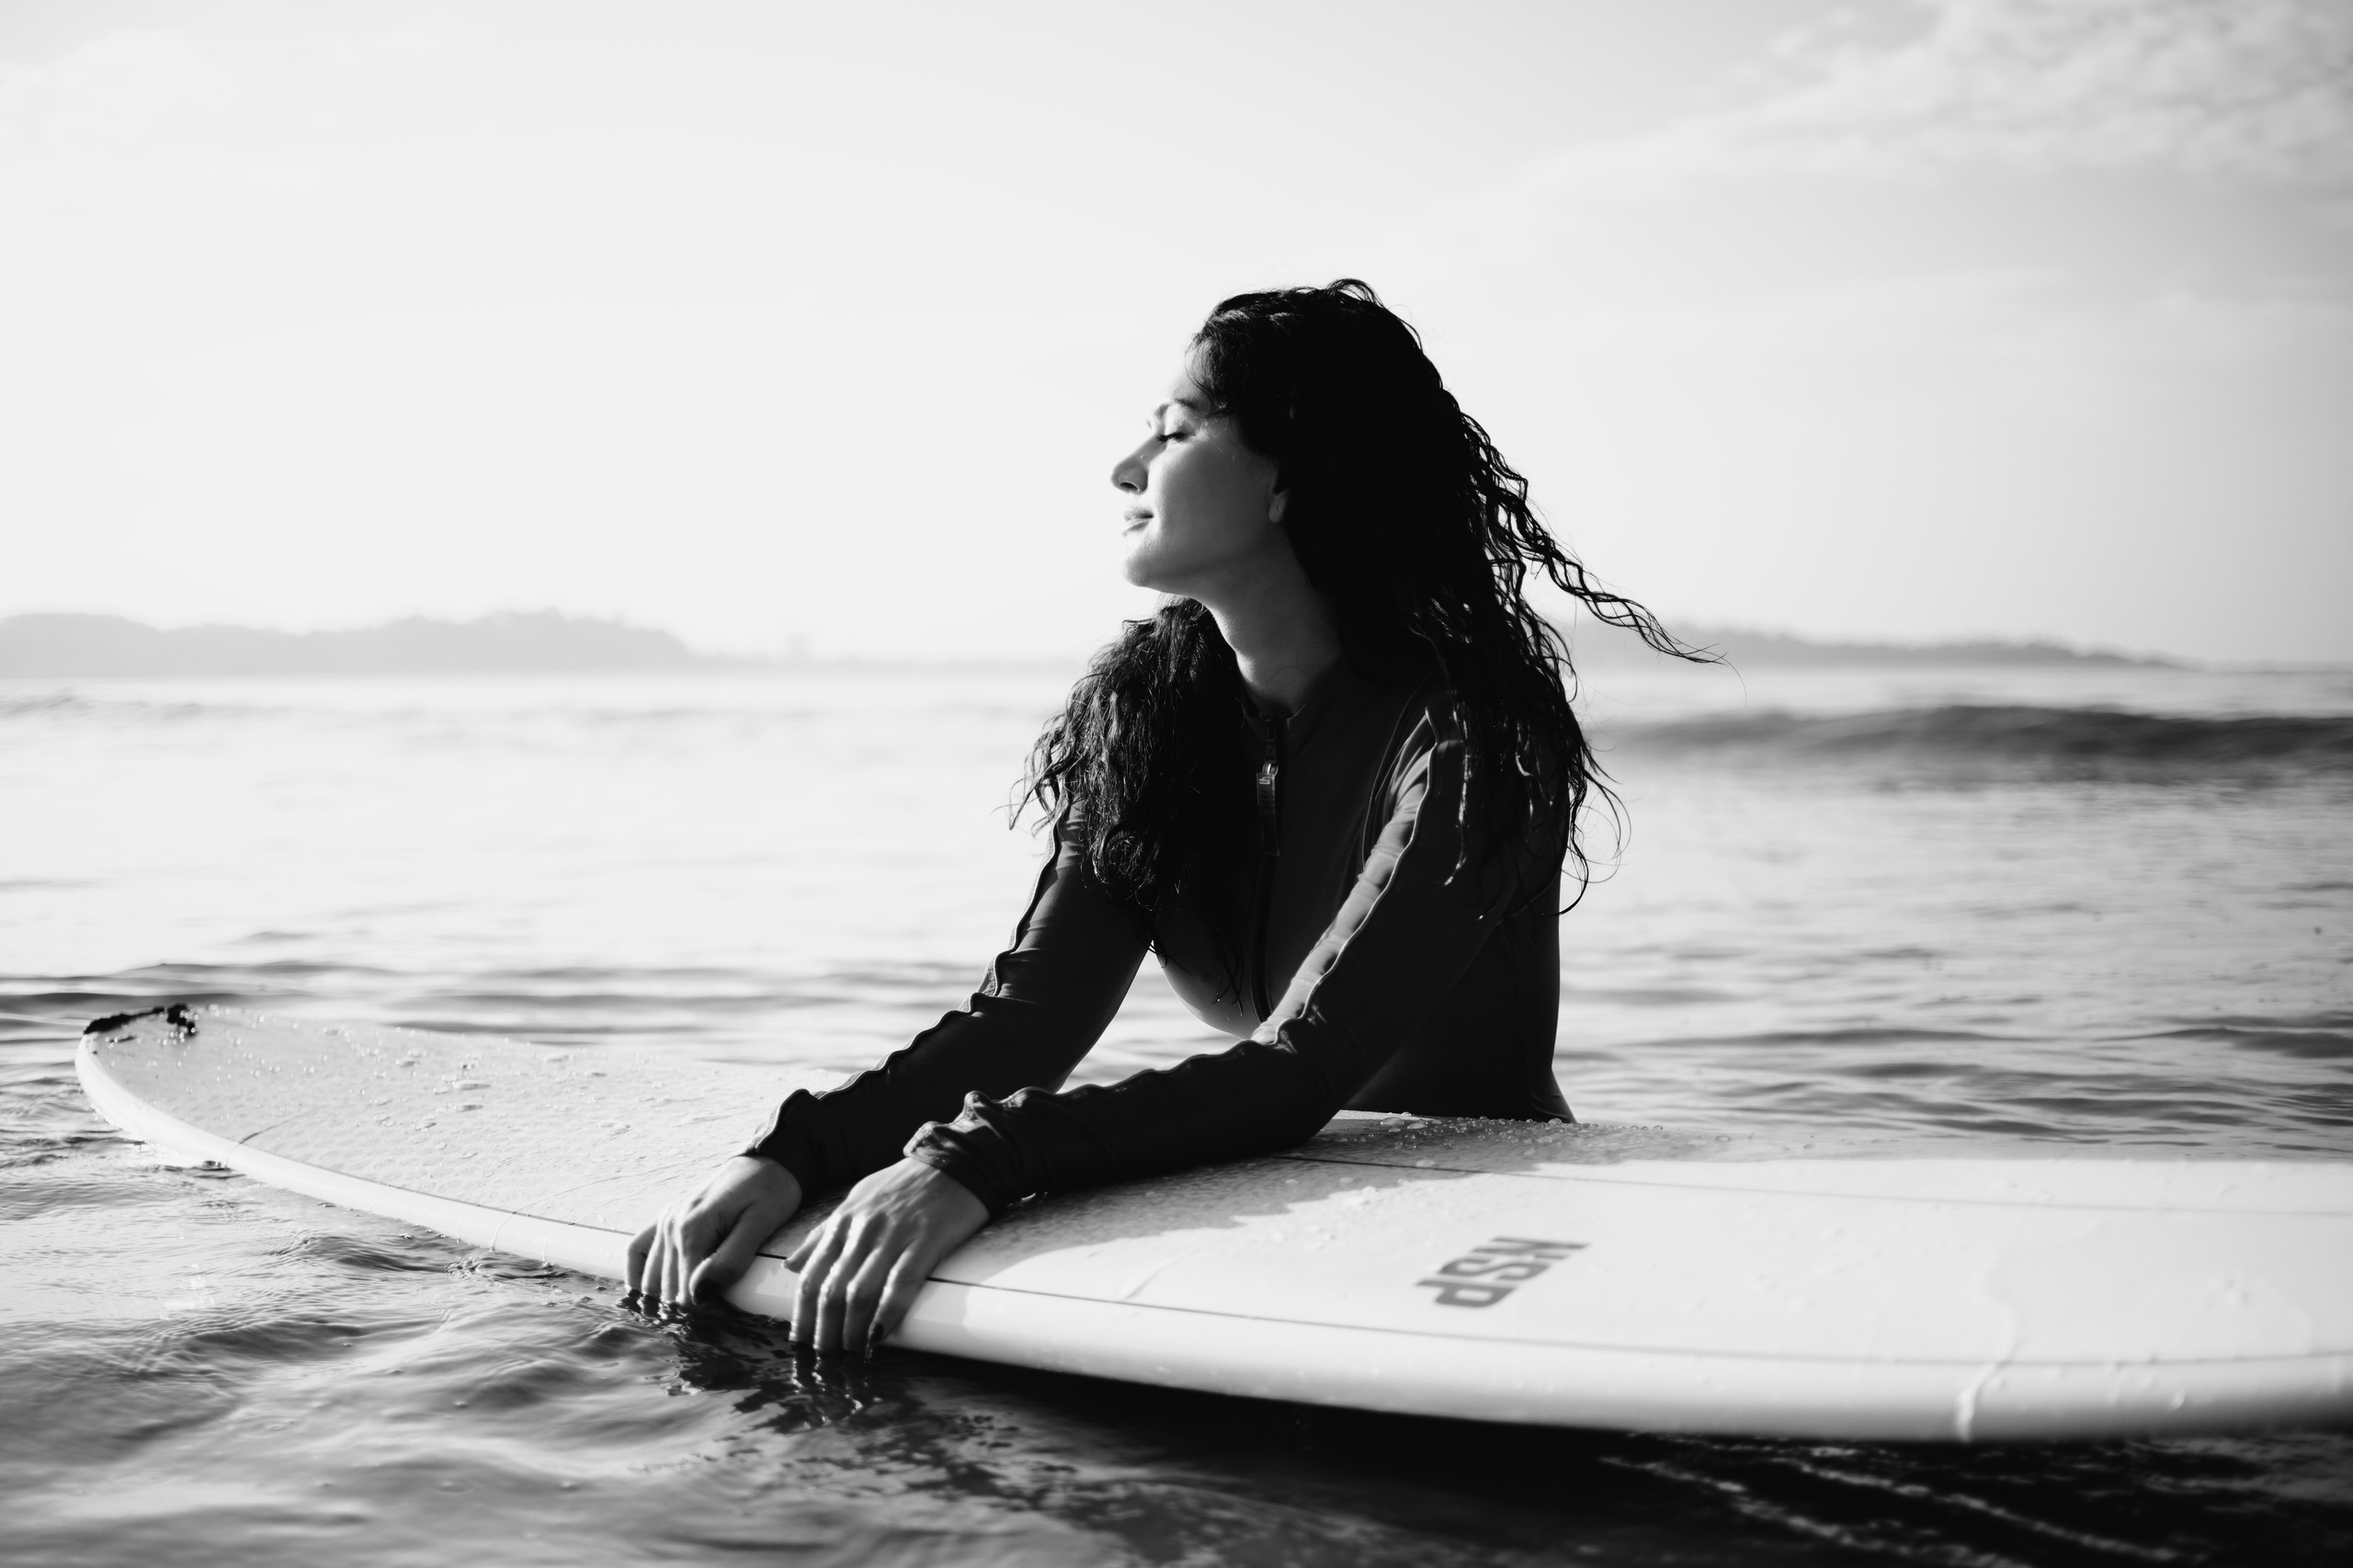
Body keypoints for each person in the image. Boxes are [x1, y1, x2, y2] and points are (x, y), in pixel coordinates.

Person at [625, 279, 1691, 1351]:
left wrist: (978, 1159)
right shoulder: (1153, 721)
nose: (1125, 469)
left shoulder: (1470, 735)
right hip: (1310, 1204)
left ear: (1285, 475)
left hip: (1496, 1219)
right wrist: (796, 1155)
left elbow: (1305, 1064)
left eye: (1174, 432)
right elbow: (1026, 1022)